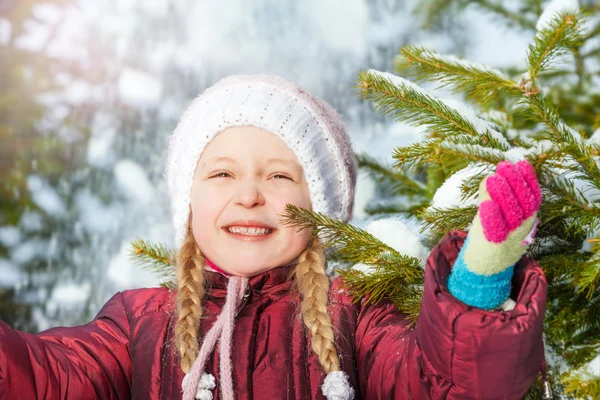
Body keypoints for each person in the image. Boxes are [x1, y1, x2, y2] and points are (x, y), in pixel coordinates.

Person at [0, 75, 547, 400]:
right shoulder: (139, 323)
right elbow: (44, 380)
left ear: (321, 209)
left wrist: (480, 273)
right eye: (221, 174)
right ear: (187, 201)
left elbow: (438, 386)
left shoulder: (355, 316)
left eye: (281, 176)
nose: (249, 195)